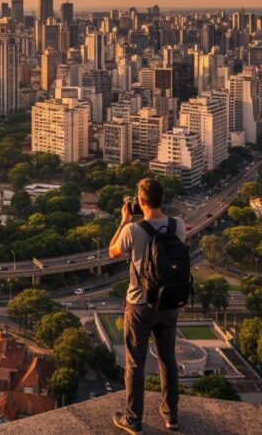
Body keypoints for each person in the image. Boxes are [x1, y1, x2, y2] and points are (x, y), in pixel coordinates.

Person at [108, 178, 186, 433]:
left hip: (139, 304)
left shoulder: (133, 230)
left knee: (135, 364)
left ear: (141, 202)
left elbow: (113, 252)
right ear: (161, 199)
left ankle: (133, 419)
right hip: (169, 303)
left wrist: (123, 221)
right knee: (168, 359)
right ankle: (171, 415)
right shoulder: (179, 226)